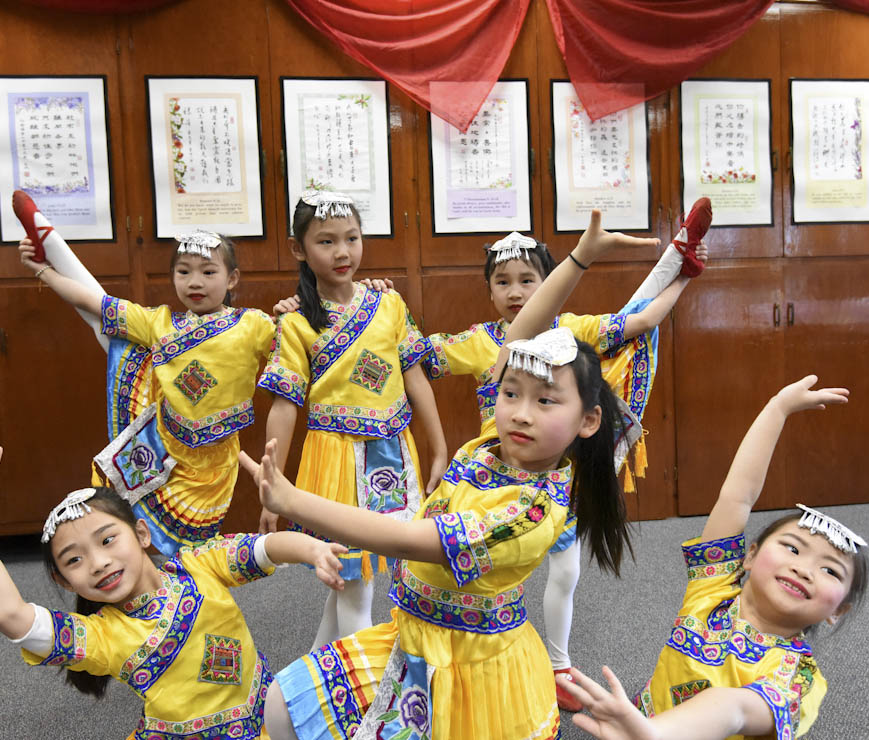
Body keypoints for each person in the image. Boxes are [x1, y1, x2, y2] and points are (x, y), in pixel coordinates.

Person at [240, 209, 660, 740]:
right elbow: (522, 332)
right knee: (282, 705)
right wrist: (581, 258)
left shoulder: (531, 510)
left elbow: (406, 537)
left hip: (465, 665)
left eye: (546, 401)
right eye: (510, 394)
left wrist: (292, 500)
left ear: (588, 419)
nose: (521, 412)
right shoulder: (495, 446)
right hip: (413, 632)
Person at [419, 198, 711, 710]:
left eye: (528, 279)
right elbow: (409, 357)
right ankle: (454, 661)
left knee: (565, 571)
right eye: (502, 281)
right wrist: (438, 446)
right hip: (490, 482)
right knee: (465, 576)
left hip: (555, 479)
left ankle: (557, 663)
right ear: (487, 290)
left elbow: (637, 322)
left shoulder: (574, 332)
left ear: (549, 280)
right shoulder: (479, 342)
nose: (515, 291)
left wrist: (684, 274)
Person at [0, 440, 347, 740]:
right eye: (74, 560)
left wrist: (311, 549)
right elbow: (6, 613)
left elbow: (263, 549)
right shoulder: (103, 636)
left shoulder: (196, 564)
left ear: (141, 533)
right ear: (64, 581)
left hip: (266, 713)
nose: (98, 562)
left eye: (106, 540)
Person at [564, 376, 867, 740]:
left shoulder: (798, 678)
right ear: (749, 556)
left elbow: (733, 708)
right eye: (792, 548)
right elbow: (738, 495)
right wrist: (778, 408)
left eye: (830, 570)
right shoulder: (714, 585)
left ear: (839, 610)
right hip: (635, 727)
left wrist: (654, 735)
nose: (804, 569)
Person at [256, 190, 449, 648]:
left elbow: (415, 379)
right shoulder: (296, 321)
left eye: (352, 238)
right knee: (354, 580)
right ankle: (358, 703)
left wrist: (439, 447)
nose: (343, 252)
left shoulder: (389, 303)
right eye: (326, 242)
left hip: (395, 452)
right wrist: (273, 485)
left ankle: (316, 675)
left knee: (355, 581)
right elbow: (284, 406)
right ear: (298, 249)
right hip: (336, 459)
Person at [19, 225, 276, 555]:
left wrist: (293, 313)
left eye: (208, 271)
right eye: (184, 272)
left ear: (232, 279)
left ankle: (186, 597)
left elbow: (298, 343)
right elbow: (94, 302)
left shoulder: (253, 325)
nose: (195, 282)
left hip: (214, 468)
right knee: (128, 525)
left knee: (194, 548)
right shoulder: (158, 323)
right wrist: (43, 271)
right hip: (159, 450)